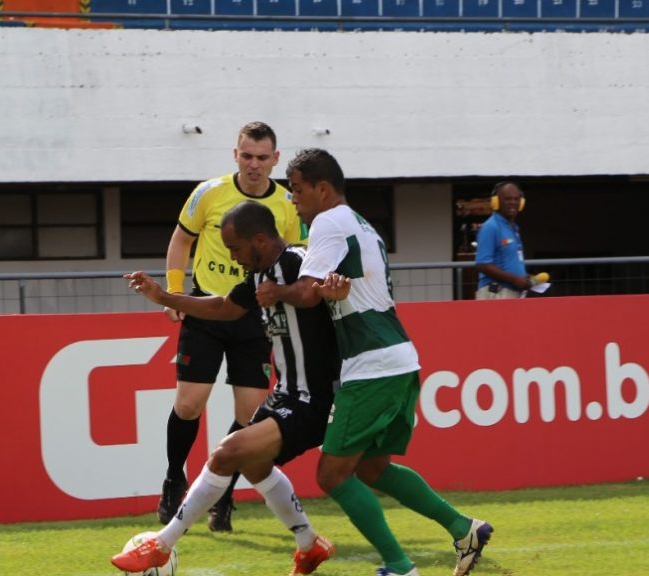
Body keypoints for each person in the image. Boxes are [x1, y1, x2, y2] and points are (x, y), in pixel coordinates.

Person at [256, 148, 493, 576]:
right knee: (371, 467)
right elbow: (335, 289)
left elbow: (308, 293)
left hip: (371, 364)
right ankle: (463, 528)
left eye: (296, 189)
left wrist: (277, 292)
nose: (292, 199)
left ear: (322, 189)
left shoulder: (328, 222)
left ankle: (400, 567)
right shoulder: (363, 224)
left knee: (331, 475)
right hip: (398, 357)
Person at [113, 200, 338, 575]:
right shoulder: (257, 277)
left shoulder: (299, 263)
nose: (233, 258)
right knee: (252, 464)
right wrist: (164, 297)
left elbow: (316, 291)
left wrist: (284, 293)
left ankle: (161, 544)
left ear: (261, 240)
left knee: (226, 452)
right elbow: (222, 307)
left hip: (316, 398)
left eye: (236, 248)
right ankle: (309, 545)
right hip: (287, 394)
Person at [157, 121, 305, 533]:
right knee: (189, 403)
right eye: (246, 156)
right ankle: (174, 479)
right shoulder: (208, 193)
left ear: (275, 159)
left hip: (256, 319)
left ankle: (222, 494)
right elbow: (180, 240)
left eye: (262, 157)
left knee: (249, 415)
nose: (254, 165)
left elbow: (299, 258)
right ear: (234, 154)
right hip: (207, 309)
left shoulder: (289, 205)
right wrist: (173, 290)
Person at [473, 181, 545, 299]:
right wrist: (515, 279)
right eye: (508, 199)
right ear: (496, 202)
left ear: (521, 203)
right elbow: (482, 264)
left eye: (516, 199)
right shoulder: (491, 226)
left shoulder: (513, 229)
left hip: (511, 293)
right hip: (496, 293)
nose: (513, 203)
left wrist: (524, 278)